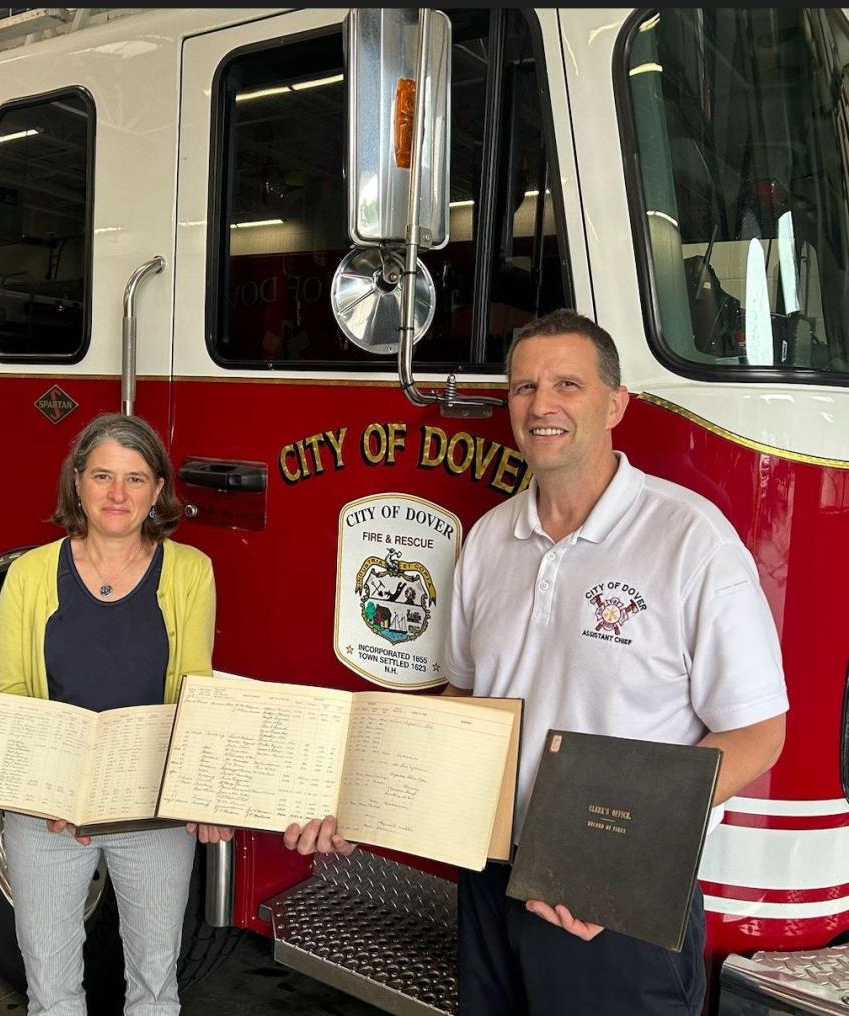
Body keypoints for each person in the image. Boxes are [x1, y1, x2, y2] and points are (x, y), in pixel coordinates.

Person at [284, 309, 788, 1016]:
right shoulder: (491, 538)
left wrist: (615, 864)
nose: (541, 405)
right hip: (491, 876)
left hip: (615, 899)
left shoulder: (691, 541)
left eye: (567, 384)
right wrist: (353, 792)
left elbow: (758, 733)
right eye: (524, 388)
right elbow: (464, 701)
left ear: (616, 403)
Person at [0, 412, 232, 1016]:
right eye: (102, 475)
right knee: (51, 993)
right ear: (77, 482)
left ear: (157, 490)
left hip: (150, 811)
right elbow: (12, 693)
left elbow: (192, 694)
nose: (117, 494)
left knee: (155, 989)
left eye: (134, 478)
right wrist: (38, 791)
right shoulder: (28, 575)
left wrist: (198, 795)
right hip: (47, 813)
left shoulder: (190, 572)